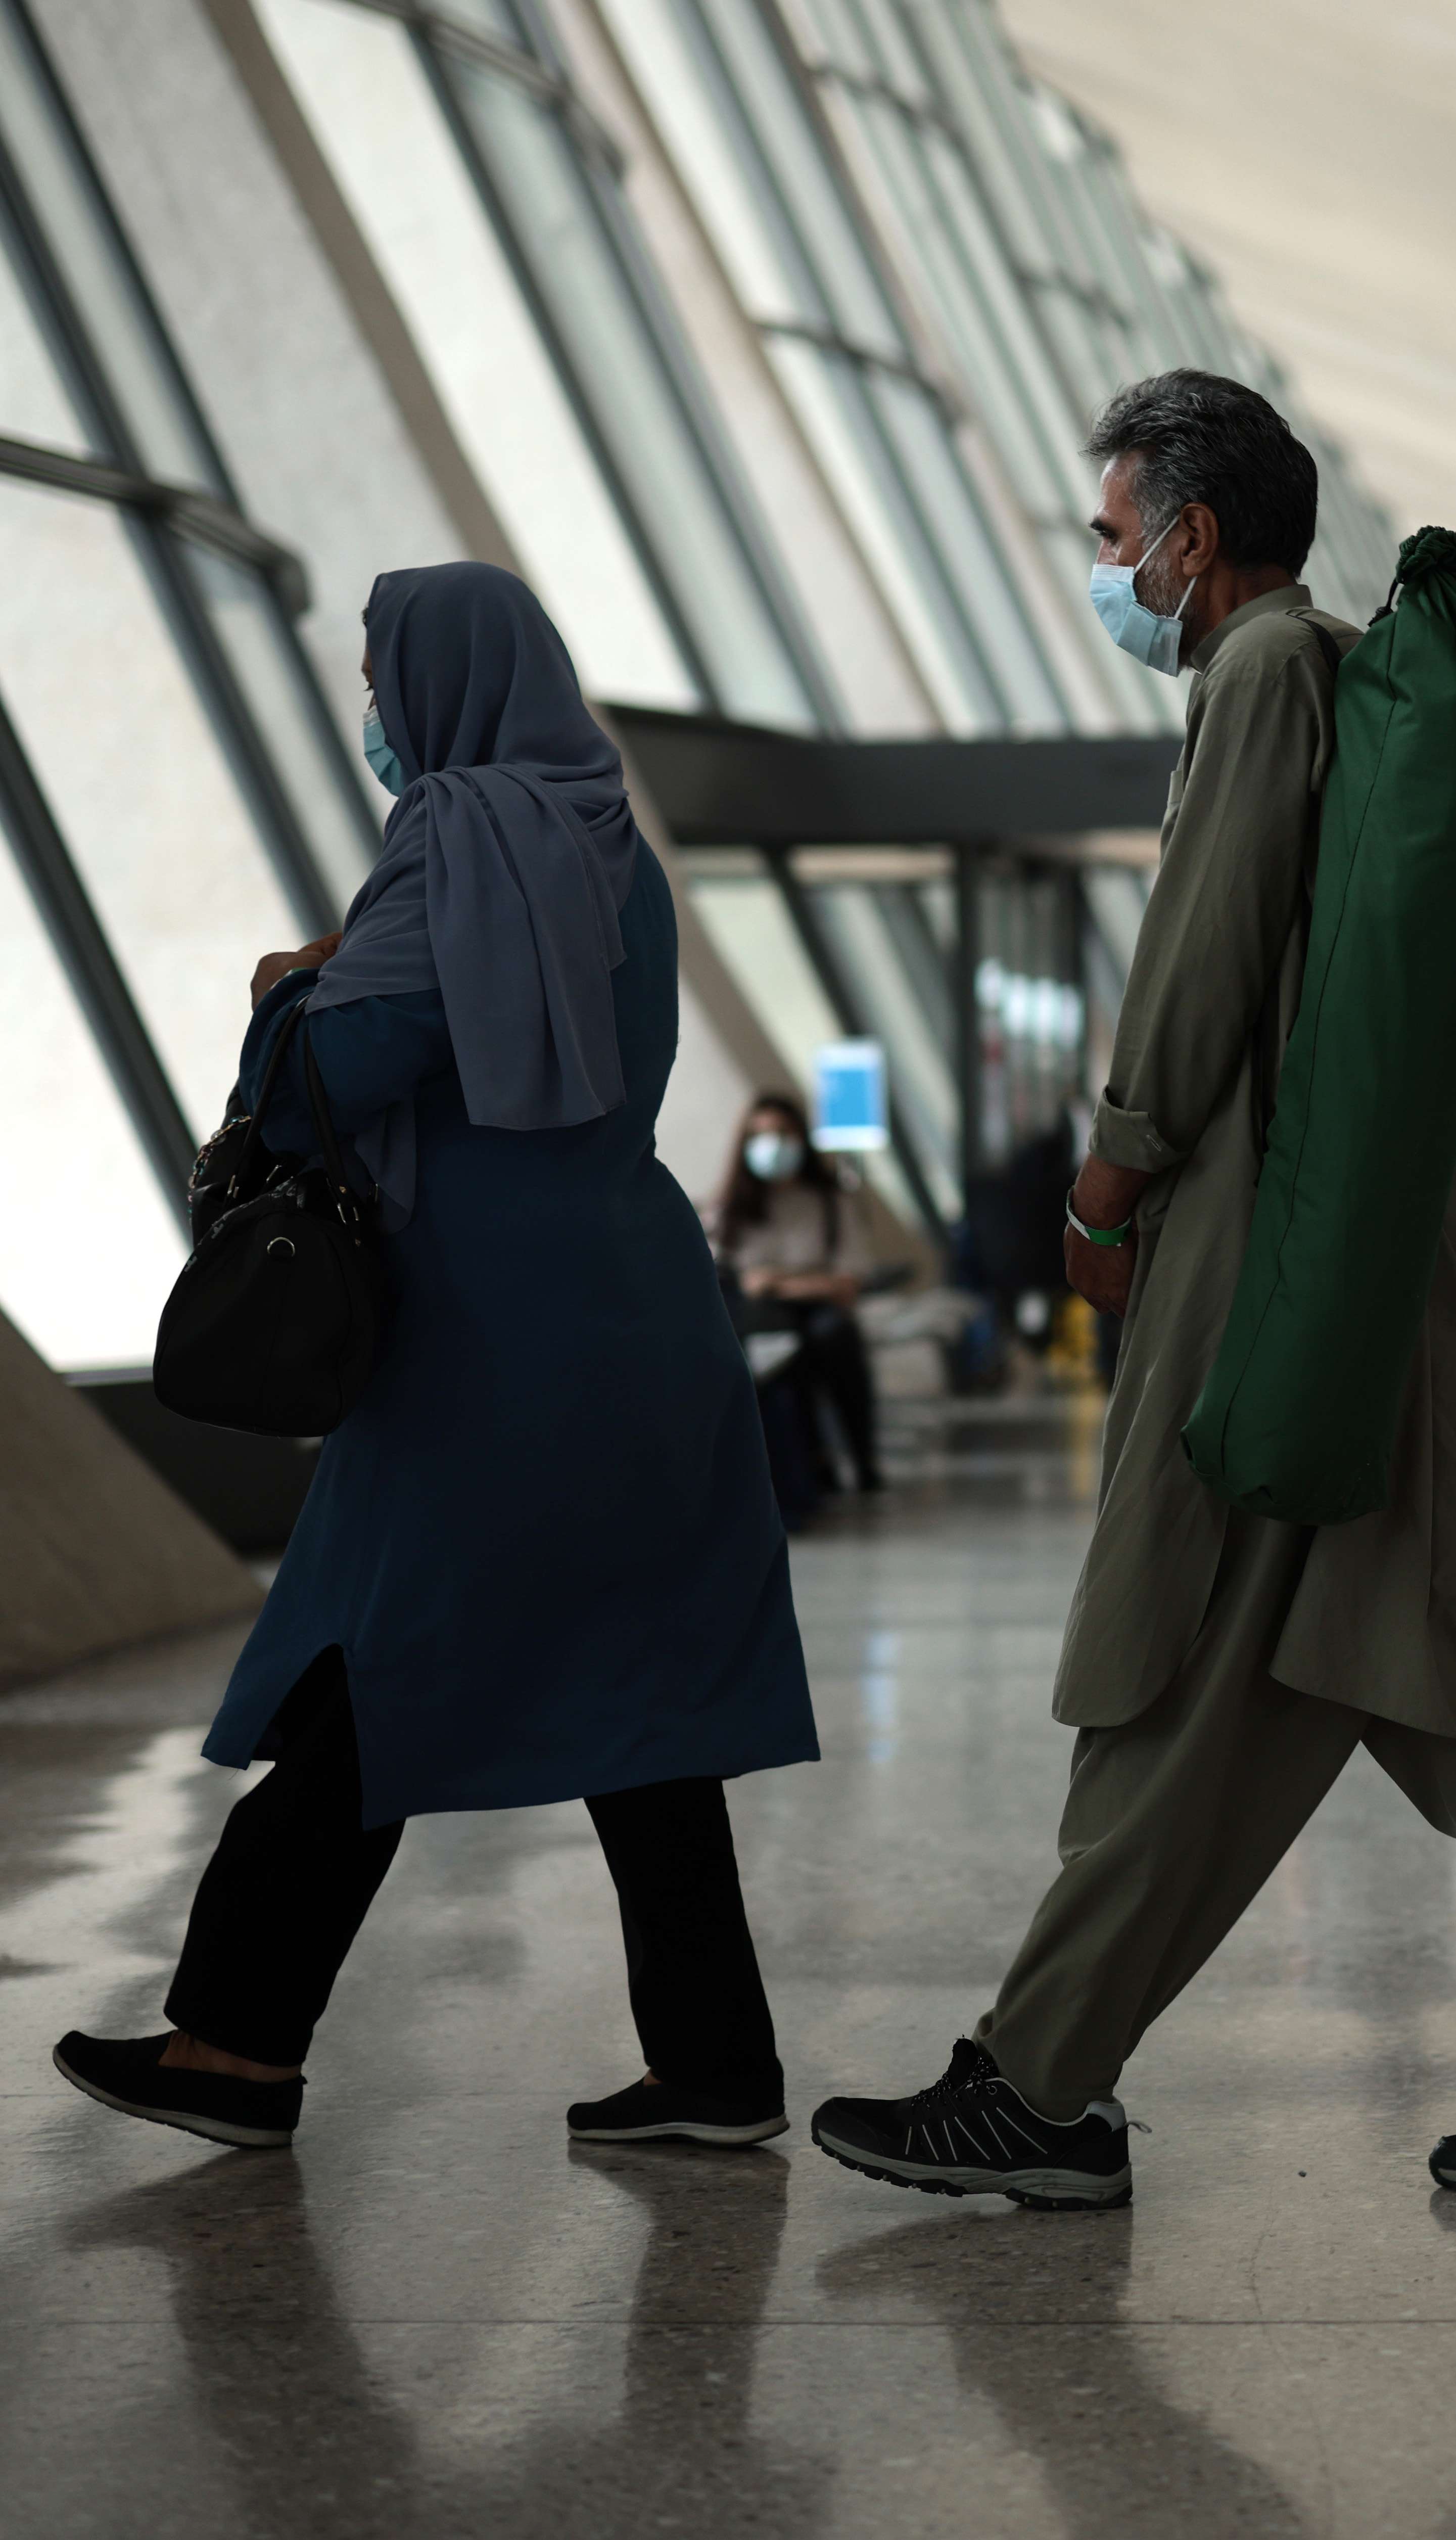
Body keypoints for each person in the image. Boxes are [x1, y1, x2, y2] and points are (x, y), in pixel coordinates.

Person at [811, 371, 1456, 2206]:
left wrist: (1105, 1170)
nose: (1104, 571)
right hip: (1372, 1248)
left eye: (1109, 537)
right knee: (1428, 1648)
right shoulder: (1320, 669)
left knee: (1176, 1639)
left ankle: (1039, 2081)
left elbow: (1203, 945)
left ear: (1191, 532)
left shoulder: (1258, 677)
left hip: (1266, 1251)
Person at [53, 563, 814, 2156]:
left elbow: (333, 1071)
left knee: (376, 1662)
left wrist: (290, 987)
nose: (376, 711)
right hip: (636, 1307)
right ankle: (716, 2062)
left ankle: (236, 2043)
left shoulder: (458, 836)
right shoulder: (616, 847)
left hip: (489, 1336)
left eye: (379, 673)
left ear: (441, 681)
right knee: (645, 1692)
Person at [710, 1090, 882, 1525]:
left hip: (817, 1311)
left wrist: (780, 1283)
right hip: (759, 1317)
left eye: (782, 1134)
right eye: (761, 1135)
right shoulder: (730, 1209)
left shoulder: (831, 1202)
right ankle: (806, 1465)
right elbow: (724, 1275)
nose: (772, 1145)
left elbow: (846, 1283)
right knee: (777, 1353)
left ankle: (859, 1457)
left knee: (830, 1337)